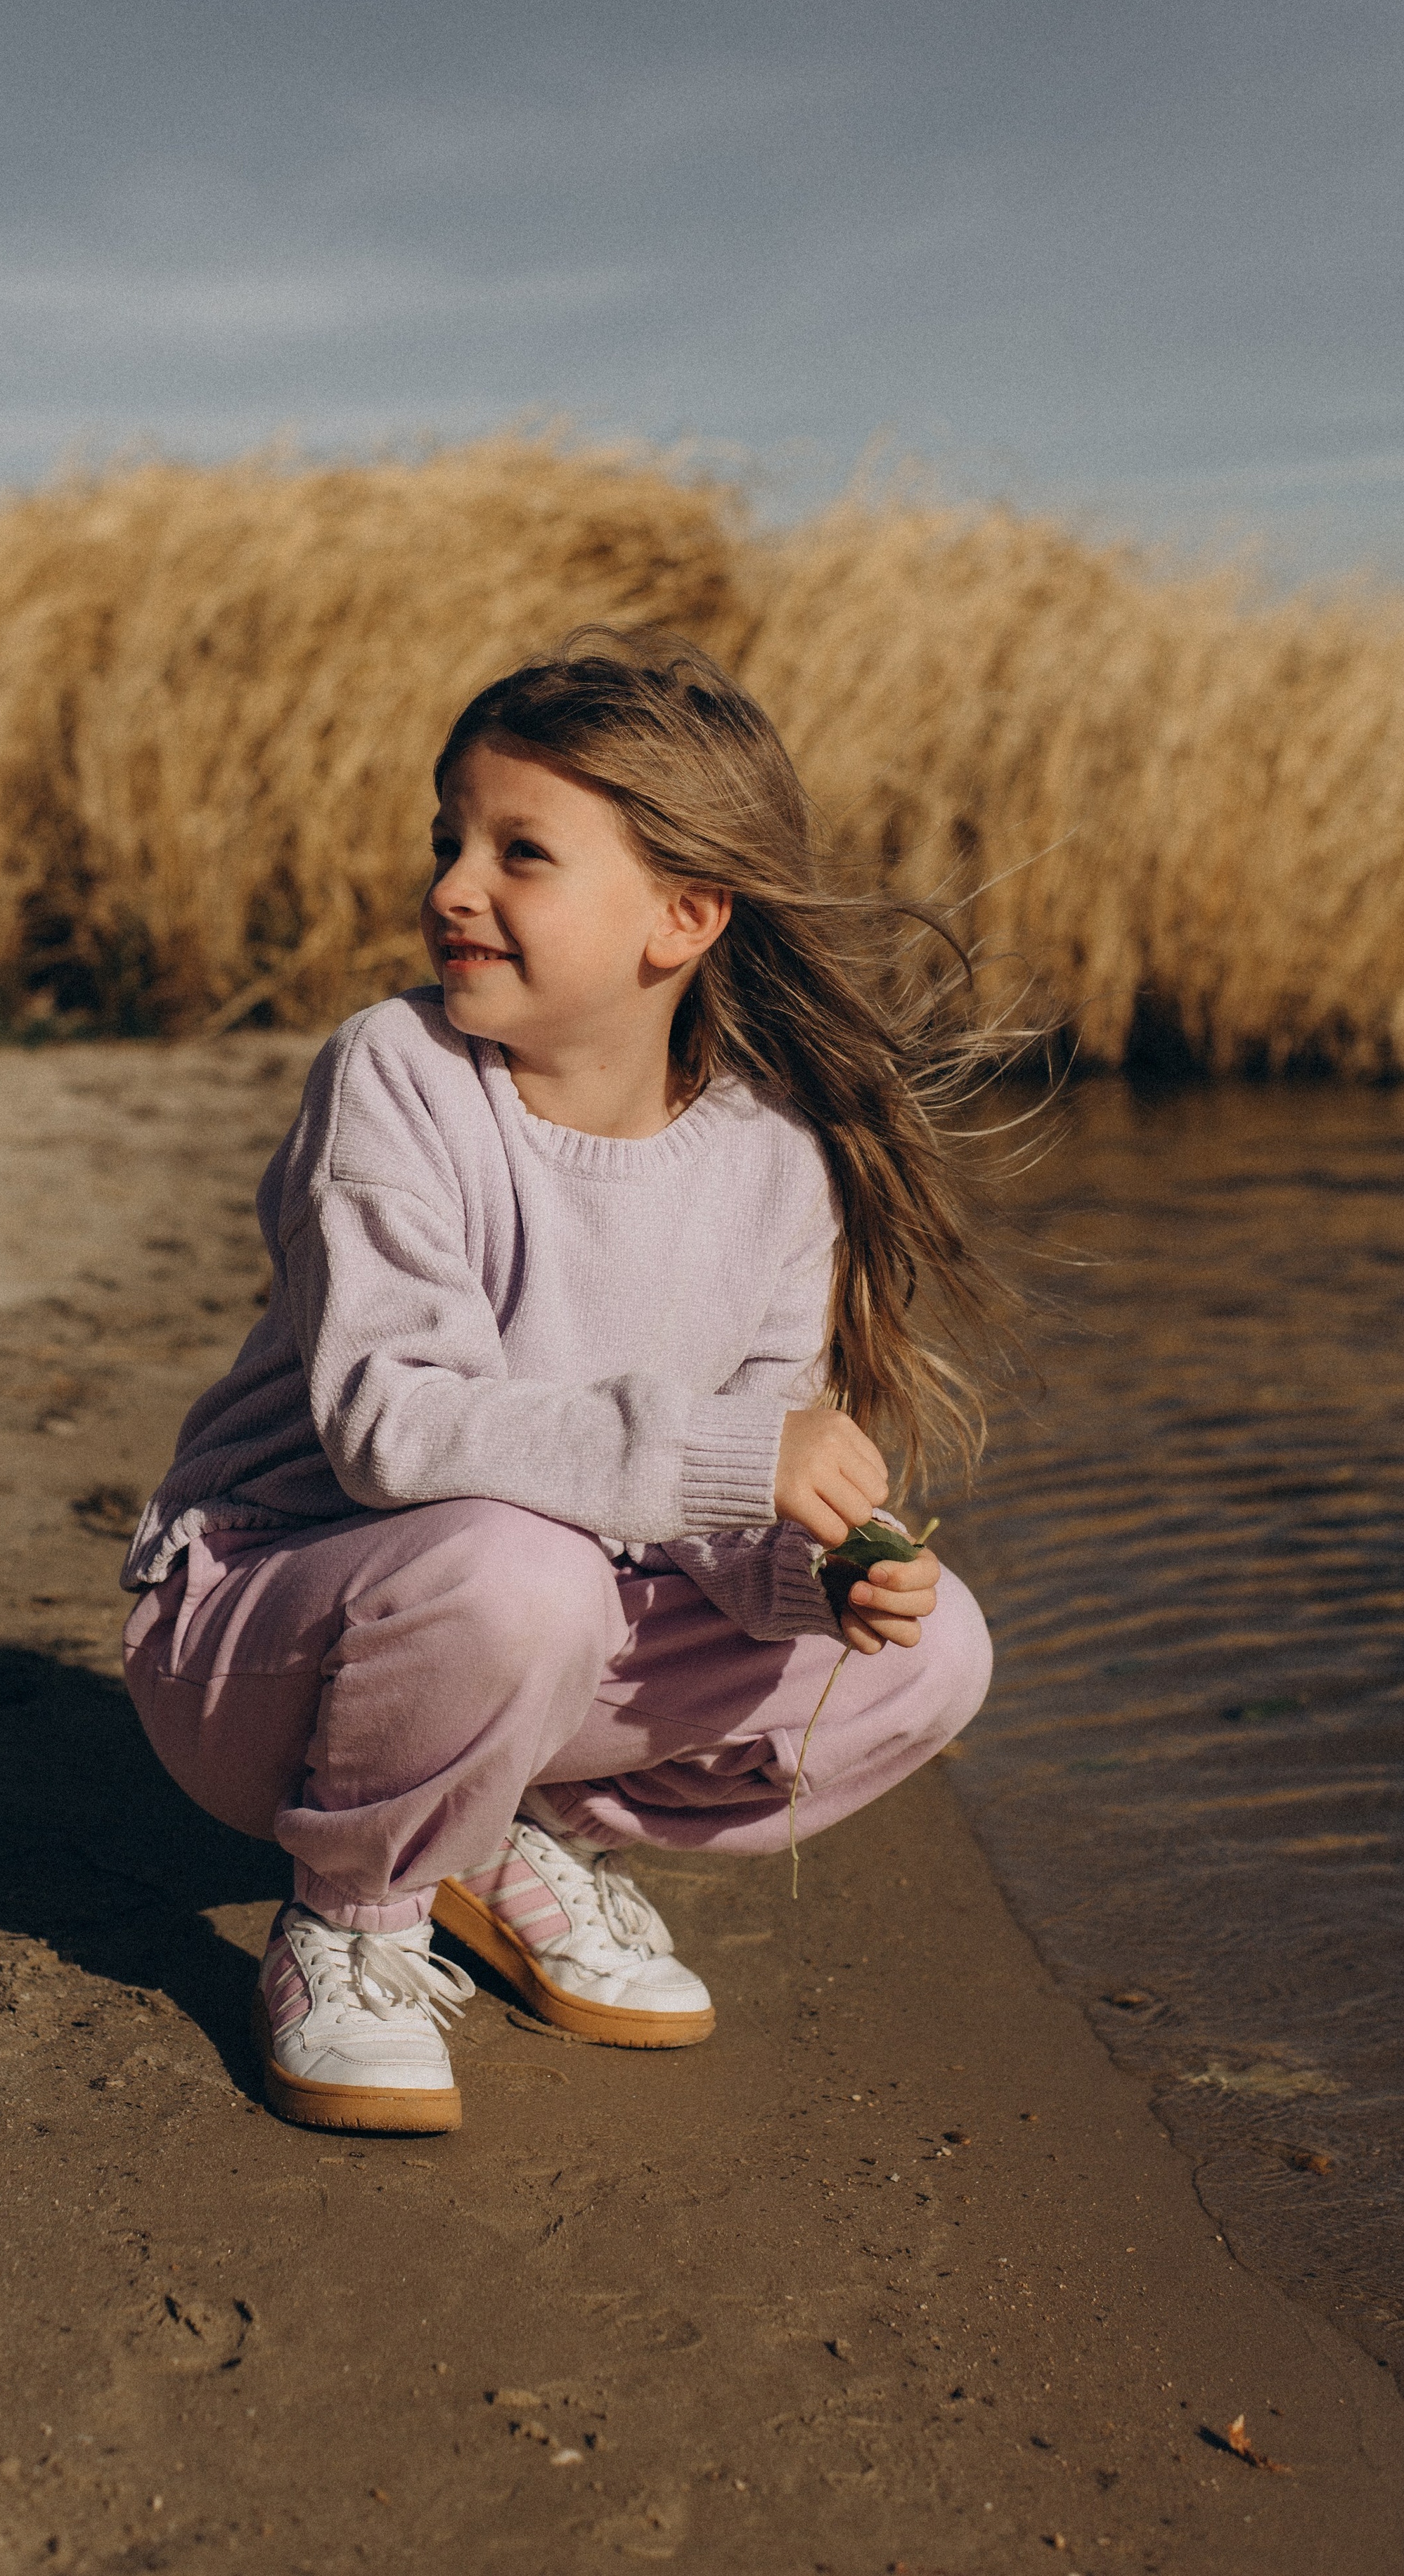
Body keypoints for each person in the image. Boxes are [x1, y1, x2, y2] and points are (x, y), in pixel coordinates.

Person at [122, 629, 1000, 2134]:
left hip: (523, 1628)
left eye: (516, 852)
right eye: (447, 839)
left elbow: (707, 1523)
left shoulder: (773, 1165)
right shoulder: (394, 1075)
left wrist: (808, 1576)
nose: (451, 886)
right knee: (517, 1571)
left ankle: (491, 1829)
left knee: (933, 1656)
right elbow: (386, 1428)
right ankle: (352, 1916)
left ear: (682, 915)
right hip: (259, 1635)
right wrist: (734, 1454)